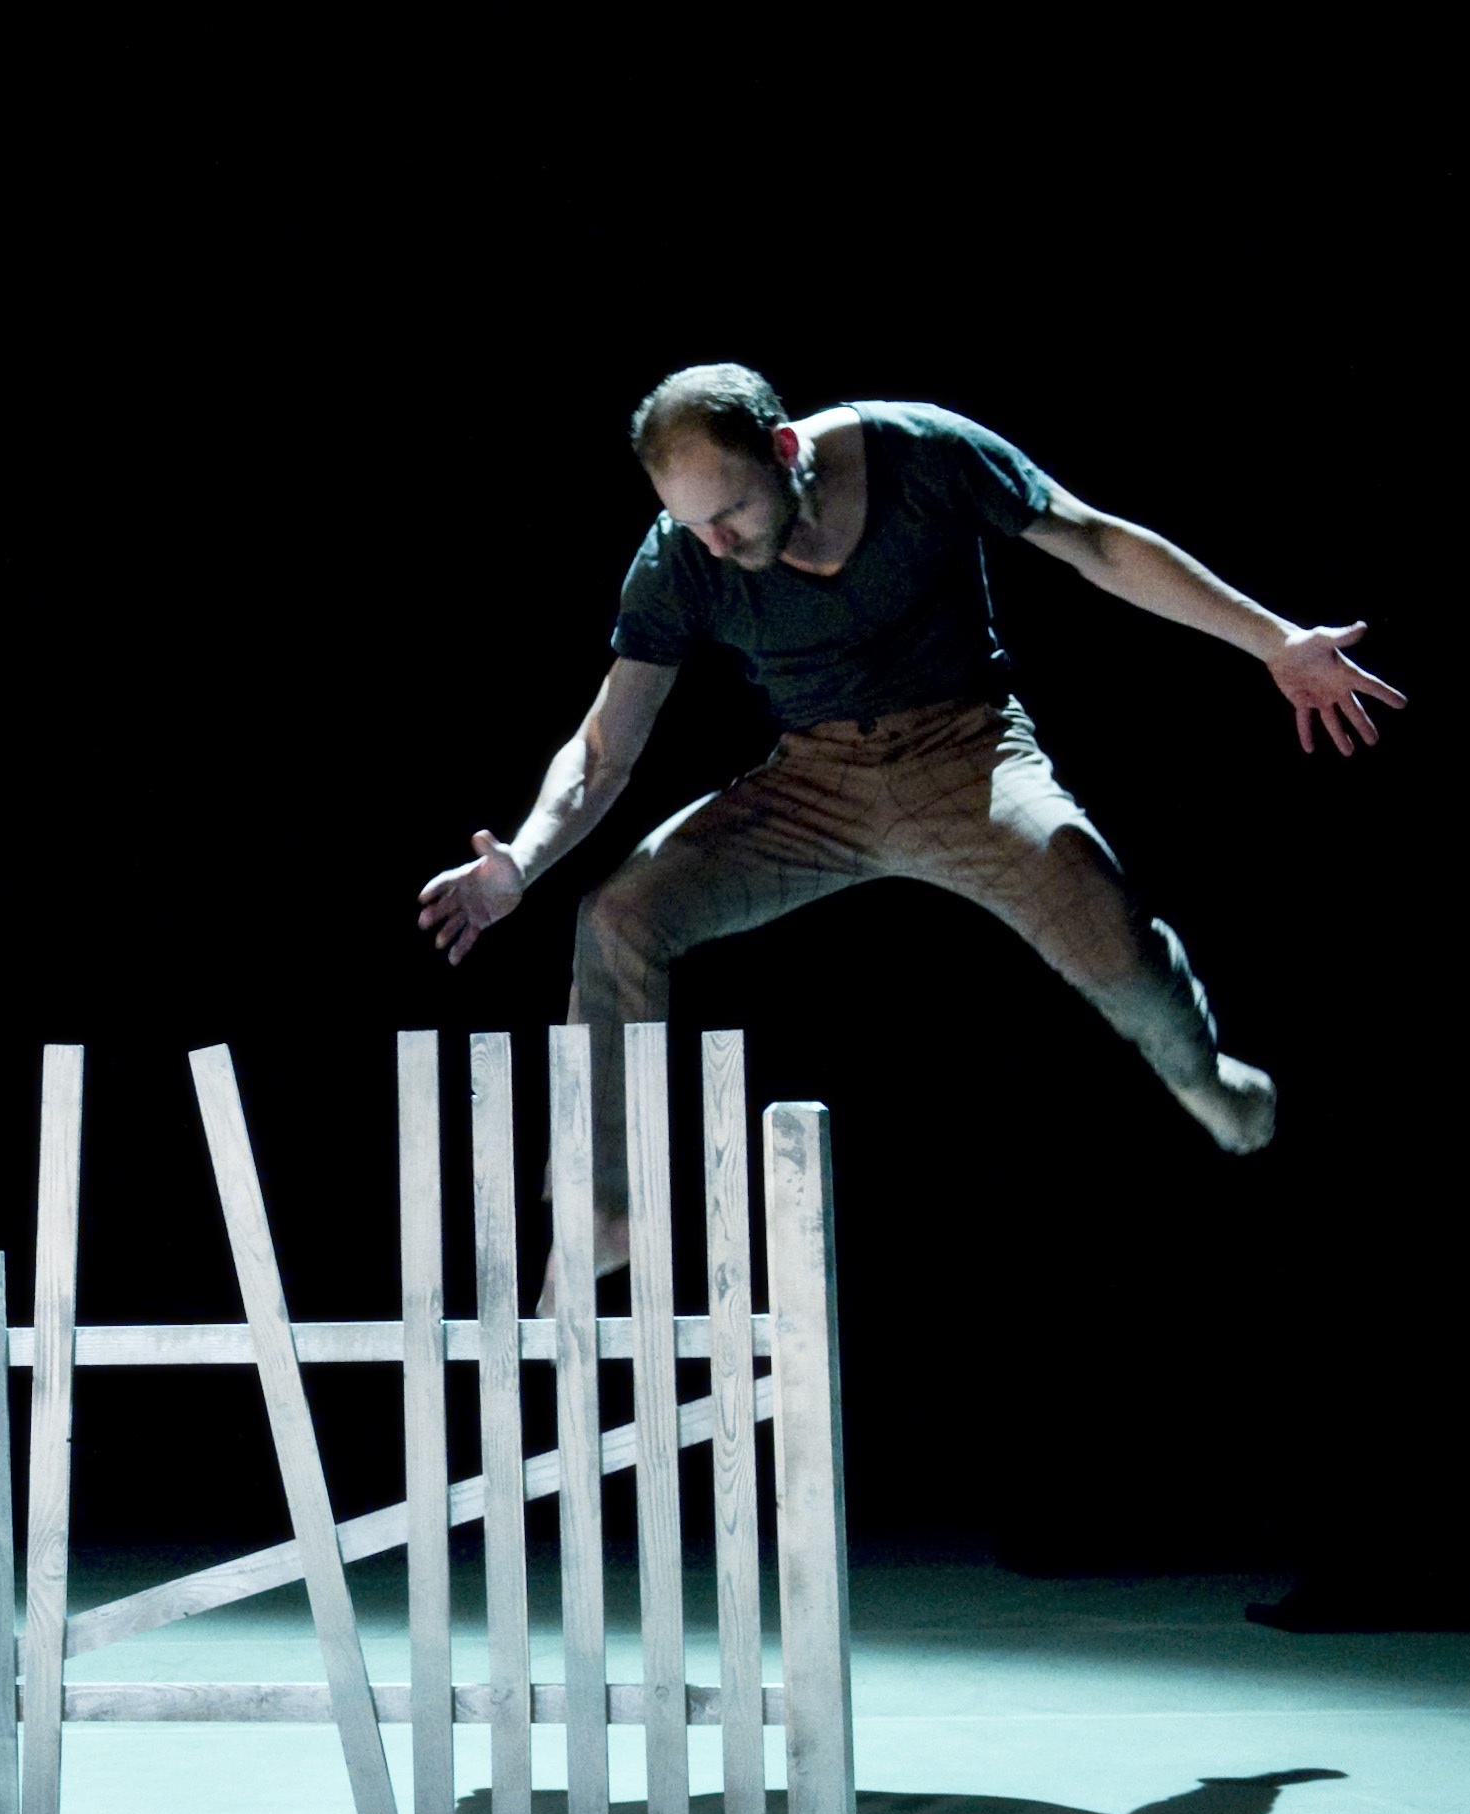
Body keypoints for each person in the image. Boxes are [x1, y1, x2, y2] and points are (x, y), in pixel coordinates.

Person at [416, 364, 1402, 1299]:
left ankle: (1205, 1079)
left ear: (784, 448)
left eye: (731, 513)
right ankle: (602, 1207)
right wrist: (521, 861)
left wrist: (1273, 641)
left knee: (1118, 943)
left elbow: (1096, 542)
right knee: (618, 917)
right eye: (692, 522)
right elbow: (606, 747)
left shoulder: (921, 453)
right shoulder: (680, 556)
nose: (713, 542)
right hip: (814, 785)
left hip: (967, 758)